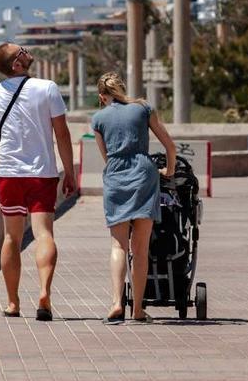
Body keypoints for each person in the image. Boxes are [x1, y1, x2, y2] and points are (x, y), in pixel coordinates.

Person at [0, 43, 77, 322]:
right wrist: (68, 172)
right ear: (17, 65)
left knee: (11, 236)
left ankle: (12, 303)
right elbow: (62, 134)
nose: (27, 50)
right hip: (42, 174)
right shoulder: (48, 88)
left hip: (9, 175)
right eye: (21, 50)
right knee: (44, 234)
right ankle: (44, 294)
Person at [91, 72, 176, 325]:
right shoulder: (143, 109)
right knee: (140, 249)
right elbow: (170, 146)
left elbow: (107, 157)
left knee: (118, 245)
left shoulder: (98, 118)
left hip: (116, 178)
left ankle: (117, 303)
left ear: (101, 97)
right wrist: (168, 171)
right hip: (144, 176)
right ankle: (138, 309)